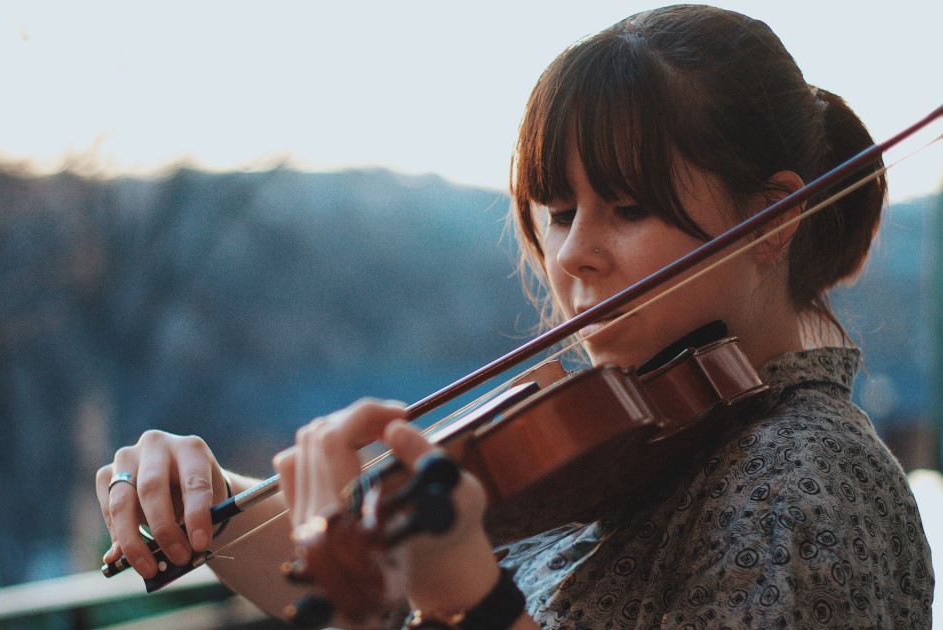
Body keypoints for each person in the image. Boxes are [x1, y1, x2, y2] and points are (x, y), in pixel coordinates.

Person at [96, 5, 934, 628]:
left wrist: (474, 604)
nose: (572, 256)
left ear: (775, 220)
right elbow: (392, 609)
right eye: (560, 210)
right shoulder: (635, 444)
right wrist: (224, 504)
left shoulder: (804, 474)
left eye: (629, 207)